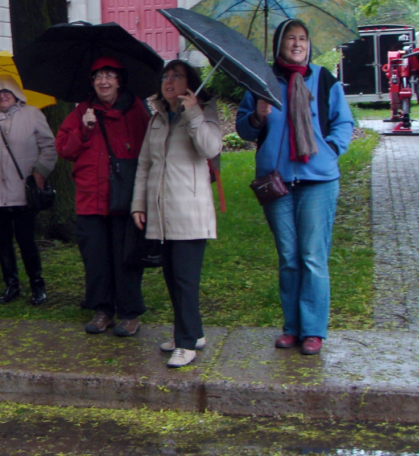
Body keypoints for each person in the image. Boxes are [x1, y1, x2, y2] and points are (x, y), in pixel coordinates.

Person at [236, 20, 354, 356]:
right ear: (279, 45)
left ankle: (313, 330)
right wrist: (258, 115)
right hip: (277, 182)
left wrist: (331, 149)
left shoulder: (323, 79)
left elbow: (344, 122)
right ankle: (292, 328)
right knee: (288, 258)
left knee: (313, 257)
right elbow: (244, 129)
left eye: (303, 38)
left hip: (318, 180)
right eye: (291, 38)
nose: (297, 43)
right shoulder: (263, 81)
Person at [131, 60, 222, 368]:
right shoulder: (157, 118)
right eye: (165, 76)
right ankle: (191, 332)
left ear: (190, 82)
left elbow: (210, 148)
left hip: (190, 210)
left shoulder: (204, 112)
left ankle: (185, 344)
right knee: (171, 276)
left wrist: (194, 112)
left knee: (185, 279)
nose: (169, 81)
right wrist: (138, 204)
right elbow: (145, 164)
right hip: (161, 211)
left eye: (177, 76)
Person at [55, 57, 150, 337]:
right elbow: (64, 150)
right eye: (98, 77)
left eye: (109, 76)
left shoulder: (135, 110)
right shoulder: (82, 111)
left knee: (126, 259)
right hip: (90, 201)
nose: (103, 82)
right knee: (96, 260)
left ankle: (130, 313)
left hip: (124, 201)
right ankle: (103, 310)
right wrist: (85, 129)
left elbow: (149, 150)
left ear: (119, 80)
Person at [0, 76, 57, 305]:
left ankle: (37, 284)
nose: (2, 96)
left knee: (26, 240)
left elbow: (49, 147)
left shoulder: (32, 115)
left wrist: (40, 173)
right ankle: (11, 285)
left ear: (15, 94)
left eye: (6, 92)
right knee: (2, 243)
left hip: (23, 191)